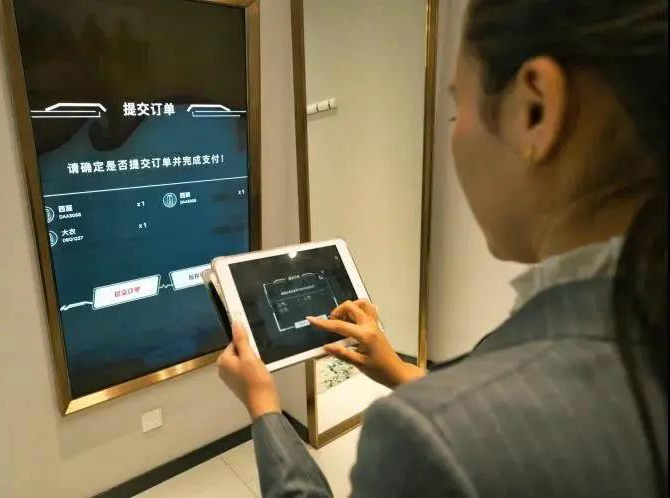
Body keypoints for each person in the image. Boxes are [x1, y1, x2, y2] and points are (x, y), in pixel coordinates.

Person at [217, 0, 668, 496]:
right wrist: (399, 371)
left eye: (456, 111)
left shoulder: (427, 438)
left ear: (534, 109)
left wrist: (264, 408)